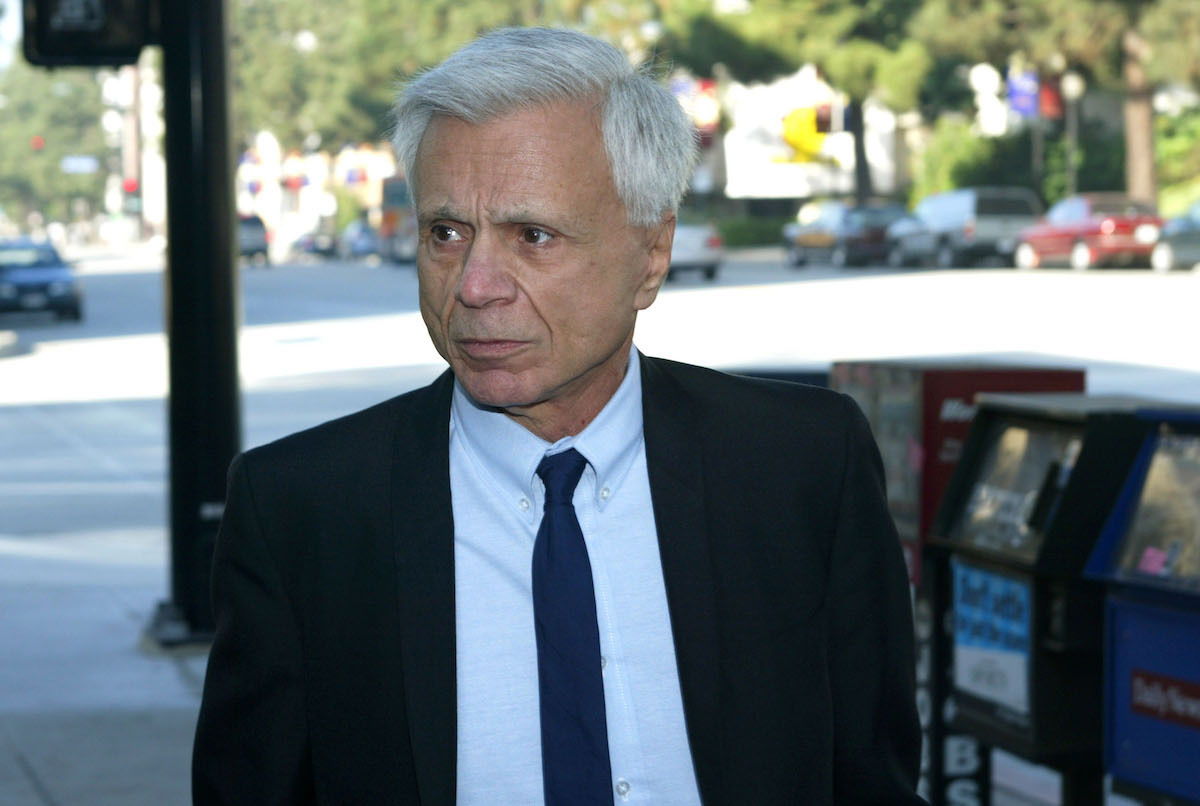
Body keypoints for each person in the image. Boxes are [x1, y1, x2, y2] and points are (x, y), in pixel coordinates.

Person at [192, 26, 923, 806]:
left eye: (531, 236)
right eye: (447, 233)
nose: (474, 287)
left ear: (651, 255)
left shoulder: (801, 466)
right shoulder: (302, 509)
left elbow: (869, 776)